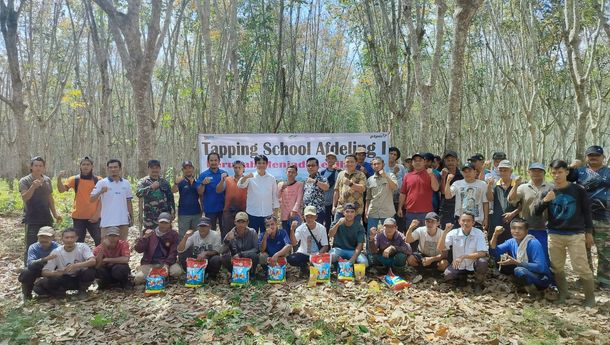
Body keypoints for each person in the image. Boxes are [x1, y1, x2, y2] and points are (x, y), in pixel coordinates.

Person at [533, 159, 595, 307]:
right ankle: (563, 294)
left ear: (567, 172)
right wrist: (545, 201)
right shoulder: (548, 190)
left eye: (560, 172)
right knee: (557, 267)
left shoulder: (578, 190)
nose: (556, 176)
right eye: (554, 173)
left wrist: (589, 232)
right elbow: (536, 212)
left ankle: (590, 298)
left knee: (581, 267)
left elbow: (587, 212)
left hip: (576, 234)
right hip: (555, 234)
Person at [568, 145, 610, 289]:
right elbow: (562, 175)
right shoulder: (579, 172)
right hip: (582, 217)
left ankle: (605, 281)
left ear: (603, 157)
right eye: (590, 155)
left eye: (597, 155)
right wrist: (573, 165)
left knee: (605, 250)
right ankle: (586, 279)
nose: (593, 157)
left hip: (604, 217)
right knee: (582, 250)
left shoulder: (608, 172)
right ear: (586, 157)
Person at [489, 219, 552, 298]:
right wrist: (495, 234)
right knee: (509, 268)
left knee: (519, 270)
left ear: (526, 231)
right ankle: (525, 288)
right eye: (514, 228)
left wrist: (516, 262)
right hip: (527, 274)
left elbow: (540, 268)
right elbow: (494, 252)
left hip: (542, 278)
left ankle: (535, 294)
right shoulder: (511, 241)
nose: (516, 231)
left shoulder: (533, 243)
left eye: (520, 228)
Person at [507, 163, 553, 263]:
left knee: (543, 254)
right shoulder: (523, 187)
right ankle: (526, 276)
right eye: (533, 171)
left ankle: (546, 276)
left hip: (543, 228)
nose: (536, 173)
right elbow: (511, 199)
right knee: (524, 254)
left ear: (544, 173)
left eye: (539, 171)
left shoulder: (550, 187)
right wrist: (515, 185)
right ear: (529, 172)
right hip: (526, 228)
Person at [20, 156, 62, 263]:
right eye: (36, 165)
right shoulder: (25, 180)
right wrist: (33, 187)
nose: (38, 168)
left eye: (40, 166)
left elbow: (50, 198)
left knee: (50, 244)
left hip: (46, 218)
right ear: (31, 167)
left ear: (44, 168)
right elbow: (25, 197)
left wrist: (55, 214)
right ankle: (29, 270)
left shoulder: (47, 180)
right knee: (31, 245)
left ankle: (50, 267)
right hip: (32, 219)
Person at [34, 228, 96, 299]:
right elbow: (44, 272)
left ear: (76, 238)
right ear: (62, 239)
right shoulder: (56, 252)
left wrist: (75, 265)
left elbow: (93, 261)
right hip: (65, 279)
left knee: (90, 271)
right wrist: (55, 273)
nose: (69, 240)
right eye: (67, 237)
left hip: (80, 278)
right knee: (39, 286)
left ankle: (83, 290)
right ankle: (59, 293)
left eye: (72, 237)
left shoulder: (82, 247)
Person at [438, 212, 489, 293]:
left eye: (468, 221)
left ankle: (478, 284)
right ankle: (461, 280)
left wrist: (463, 257)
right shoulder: (453, 233)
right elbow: (441, 248)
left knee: (482, 261)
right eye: (463, 220)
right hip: (458, 265)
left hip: (473, 265)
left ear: (473, 222)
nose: (465, 223)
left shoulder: (478, 233)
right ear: (459, 221)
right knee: (448, 275)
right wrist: (445, 232)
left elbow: (483, 253)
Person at [57, 156, 102, 245]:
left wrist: (97, 214)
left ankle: (98, 258)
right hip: (78, 217)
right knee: (78, 242)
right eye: (83, 164)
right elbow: (61, 190)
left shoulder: (99, 180)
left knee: (99, 239)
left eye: (88, 164)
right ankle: (78, 259)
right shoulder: (74, 179)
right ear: (80, 166)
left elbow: (103, 198)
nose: (86, 166)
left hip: (94, 217)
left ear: (92, 166)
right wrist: (59, 179)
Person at [133, 212, 183, 285]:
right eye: (161, 222)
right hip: (150, 263)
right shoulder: (149, 233)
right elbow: (138, 249)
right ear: (158, 222)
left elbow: (173, 252)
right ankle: (154, 275)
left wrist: (167, 264)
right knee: (138, 278)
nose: (163, 225)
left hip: (167, 263)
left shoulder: (173, 234)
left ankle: (163, 277)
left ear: (170, 224)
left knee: (177, 271)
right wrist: (144, 238)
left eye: (166, 223)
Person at [91, 159, 133, 240]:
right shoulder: (102, 182)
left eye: (115, 167)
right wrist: (100, 191)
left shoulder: (126, 183)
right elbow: (91, 199)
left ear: (120, 168)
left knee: (122, 245)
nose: (113, 169)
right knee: (106, 246)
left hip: (123, 221)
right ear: (107, 169)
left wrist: (131, 217)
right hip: (107, 221)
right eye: (110, 167)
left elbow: (128, 201)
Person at [238, 155, 280, 234]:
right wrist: (245, 177)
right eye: (259, 163)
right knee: (252, 236)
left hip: (267, 214)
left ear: (267, 164)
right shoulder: (250, 177)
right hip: (253, 213)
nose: (261, 165)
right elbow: (240, 185)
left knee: (267, 236)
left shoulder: (271, 178)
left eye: (263, 163)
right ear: (255, 164)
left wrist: (275, 213)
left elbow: (274, 196)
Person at [18, 226, 59, 300]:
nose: (43, 239)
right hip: (37, 268)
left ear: (53, 237)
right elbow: (30, 264)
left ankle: (55, 292)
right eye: (41, 236)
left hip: (52, 269)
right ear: (38, 237)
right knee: (26, 272)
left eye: (47, 237)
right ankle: (26, 294)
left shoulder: (57, 247)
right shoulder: (33, 247)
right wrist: (45, 259)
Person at [444, 162, 489, 230]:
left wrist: (486, 218)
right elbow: (448, 196)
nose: (467, 173)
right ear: (462, 173)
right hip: (461, 219)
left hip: (477, 219)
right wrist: (447, 182)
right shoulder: (457, 184)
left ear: (475, 172)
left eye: (469, 171)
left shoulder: (482, 184)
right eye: (465, 172)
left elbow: (485, 202)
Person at [287, 206, 330, 276]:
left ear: (316, 217)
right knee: (291, 259)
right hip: (304, 253)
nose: (309, 219)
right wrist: (292, 230)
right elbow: (294, 243)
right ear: (304, 217)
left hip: (317, 254)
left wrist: (318, 255)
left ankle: (313, 267)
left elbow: (325, 245)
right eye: (307, 217)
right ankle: (304, 266)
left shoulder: (322, 228)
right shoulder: (300, 228)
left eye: (312, 216)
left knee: (326, 258)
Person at [398, 153, 439, 226]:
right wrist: (400, 207)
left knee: (426, 236)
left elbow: (435, 188)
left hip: (426, 212)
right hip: (410, 212)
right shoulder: (407, 176)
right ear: (412, 163)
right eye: (415, 160)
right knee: (411, 235)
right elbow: (403, 193)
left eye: (420, 160)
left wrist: (431, 175)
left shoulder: (430, 174)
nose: (417, 162)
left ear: (424, 162)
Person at [365, 157, 398, 240]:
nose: (376, 166)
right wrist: (366, 211)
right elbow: (368, 198)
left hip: (387, 211)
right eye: (374, 164)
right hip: (373, 211)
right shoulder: (370, 180)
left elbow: (394, 187)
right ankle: (370, 252)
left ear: (383, 164)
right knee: (371, 234)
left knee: (390, 235)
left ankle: (390, 251)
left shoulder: (391, 175)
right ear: (372, 166)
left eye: (378, 163)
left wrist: (386, 177)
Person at [487, 160, 520, 244]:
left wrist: (513, 213)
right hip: (497, 220)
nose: (503, 172)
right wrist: (489, 186)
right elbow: (490, 198)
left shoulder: (518, 185)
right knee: (496, 244)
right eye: (501, 170)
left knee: (513, 244)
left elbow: (523, 204)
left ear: (511, 171)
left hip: (513, 221)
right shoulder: (495, 185)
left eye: (505, 170)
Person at [136, 159, 175, 230]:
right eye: (152, 168)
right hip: (150, 218)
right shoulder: (143, 181)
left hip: (164, 218)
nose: (154, 170)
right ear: (148, 169)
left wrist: (173, 212)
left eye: (156, 168)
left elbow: (170, 198)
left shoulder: (164, 182)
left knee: (165, 238)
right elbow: (139, 193)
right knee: (151, 239)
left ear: (159, 169)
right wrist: (151, 187)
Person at [196, 153, 227, 231]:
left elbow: (228, 191)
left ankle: (223, 244)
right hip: (210, 209)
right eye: (211, 160)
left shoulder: (224, 174)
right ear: (208, 162)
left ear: (219, 161)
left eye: (216, 160)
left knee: (224, 231)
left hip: (223, 208)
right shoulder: (203, 175)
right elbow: (200, 192)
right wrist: (203, 183)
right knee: (210, 232)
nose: (213, 162)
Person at [172, 160, 202, 239]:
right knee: (183, 236)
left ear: (193, 169)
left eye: (190, 168)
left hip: (196, 213)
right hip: (184, 214)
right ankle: (184, 251)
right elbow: (173, 191)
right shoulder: (181, 181)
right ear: (183, 170)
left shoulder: (198, 182)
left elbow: (201, 193)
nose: (188, 170)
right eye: (185, 168)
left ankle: (195, 251)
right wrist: (175, 183)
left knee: (197, 235)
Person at [332, 154, 367, 223]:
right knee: (337, 230)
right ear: (344, 163)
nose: (349, 164)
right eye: (347, 162)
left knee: (354, 232)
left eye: (352, 162)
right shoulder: (340, 174)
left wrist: (350, 184)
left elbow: (362, 189)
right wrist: (334, 206)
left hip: (356, 210)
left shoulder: (361, 174)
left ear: (356, 163)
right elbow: (336, 191)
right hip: (341, 208)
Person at [221, 160, 248, 239]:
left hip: (243, 211)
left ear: (243, 168)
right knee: (227, 234)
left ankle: (241, 251)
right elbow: (218, 190)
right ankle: (226, 250)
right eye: (235, 167)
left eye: (240, 167)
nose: (237, 169)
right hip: (228, 211)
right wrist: (222, 181)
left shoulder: (248, 180)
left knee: (242, 233)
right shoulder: (227, 179)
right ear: (233, 168)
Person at [438, 151, 463, 226]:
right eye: (448, 160)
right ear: (445, 161)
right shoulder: (441, 174)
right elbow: (442, 192)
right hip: (446, 207)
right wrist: (443, 177)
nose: (450, 162)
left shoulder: (462, 175)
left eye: (452, 160)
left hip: (460, 207)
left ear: (457, 161)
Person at [302, 157, 330, 225]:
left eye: (313, 165)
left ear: (318, 167)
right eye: (308, 166)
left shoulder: (322, 178)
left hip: (317, 211)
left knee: (317, 232)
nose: (310, 167)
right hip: (307, 211)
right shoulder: (306, 179)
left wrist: (315, 181)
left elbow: (326, 187)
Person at [278, 164, 304, 231]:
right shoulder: (281, 184)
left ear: (296, 174)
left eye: (293, 172)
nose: (290, 174)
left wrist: (294, 210)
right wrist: (280, 189)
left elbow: (299, 199)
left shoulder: (299, 184)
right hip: (284, 215)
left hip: (295, 215)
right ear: (286, 173)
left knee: (296, 236)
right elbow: (277, 197)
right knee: (286, 237)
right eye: (289, 172)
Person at [388, 147, 407, 232]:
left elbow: (405, 181)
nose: (392, 156)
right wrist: (394, 173)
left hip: (399, 199)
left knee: (400, 222)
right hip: (388, 199)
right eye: (391, 153)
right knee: (390, 222)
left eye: (395, 154)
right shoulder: (383, 167)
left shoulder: (401, 167)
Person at [320, 152, 341, 230]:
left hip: (336, 202)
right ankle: (327, 241)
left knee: (336, 223)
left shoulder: (340, 172)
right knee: (327, 223)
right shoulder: (322, 172)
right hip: (325, 202)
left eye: (332, 158)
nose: (330, 160)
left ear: (335, 160)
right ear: (326, 160)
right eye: (329, 158)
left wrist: (339, 170)